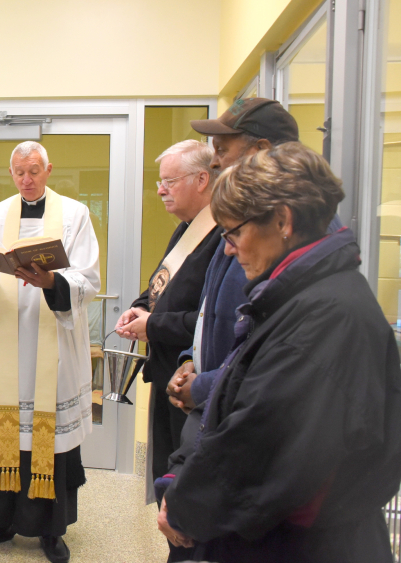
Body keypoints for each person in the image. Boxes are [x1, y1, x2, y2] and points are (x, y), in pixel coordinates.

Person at [159, 142, 401, 562]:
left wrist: (184, 507)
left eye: (234, 233)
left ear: (283, 221)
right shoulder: (300, 294)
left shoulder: (326, 316)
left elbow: (258, 443)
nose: (229, 250)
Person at [0, 141, 100, 563]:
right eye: (19, 172)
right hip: (4, 339)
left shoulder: (75, 213)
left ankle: (50, 531)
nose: (27, 179)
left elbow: (88, 278)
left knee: (50, 438)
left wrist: (51, 283)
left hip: (51, 344)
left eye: (34, 170)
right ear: (11, 172)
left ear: (49, 169)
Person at [166, 98, 307, 414]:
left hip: (236, 409)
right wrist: (189, 358)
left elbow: (266, 361)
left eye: (222, 151)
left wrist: (202, 387)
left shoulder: (280, 239)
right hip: (212, 401)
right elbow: (210, 310)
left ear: (260, 152)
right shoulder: (238, 219)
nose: (214, 163)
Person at [114, 140, 221, 510]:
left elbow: (210, 319)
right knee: (167, 482)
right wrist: (138, 308)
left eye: (169, 181)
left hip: (191, 382)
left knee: (183, 488)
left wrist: (153, 325)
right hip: (165, 373)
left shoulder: (222, 237)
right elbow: (163, 284)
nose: (160, 190)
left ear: (203, 179)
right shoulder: (186, 228)